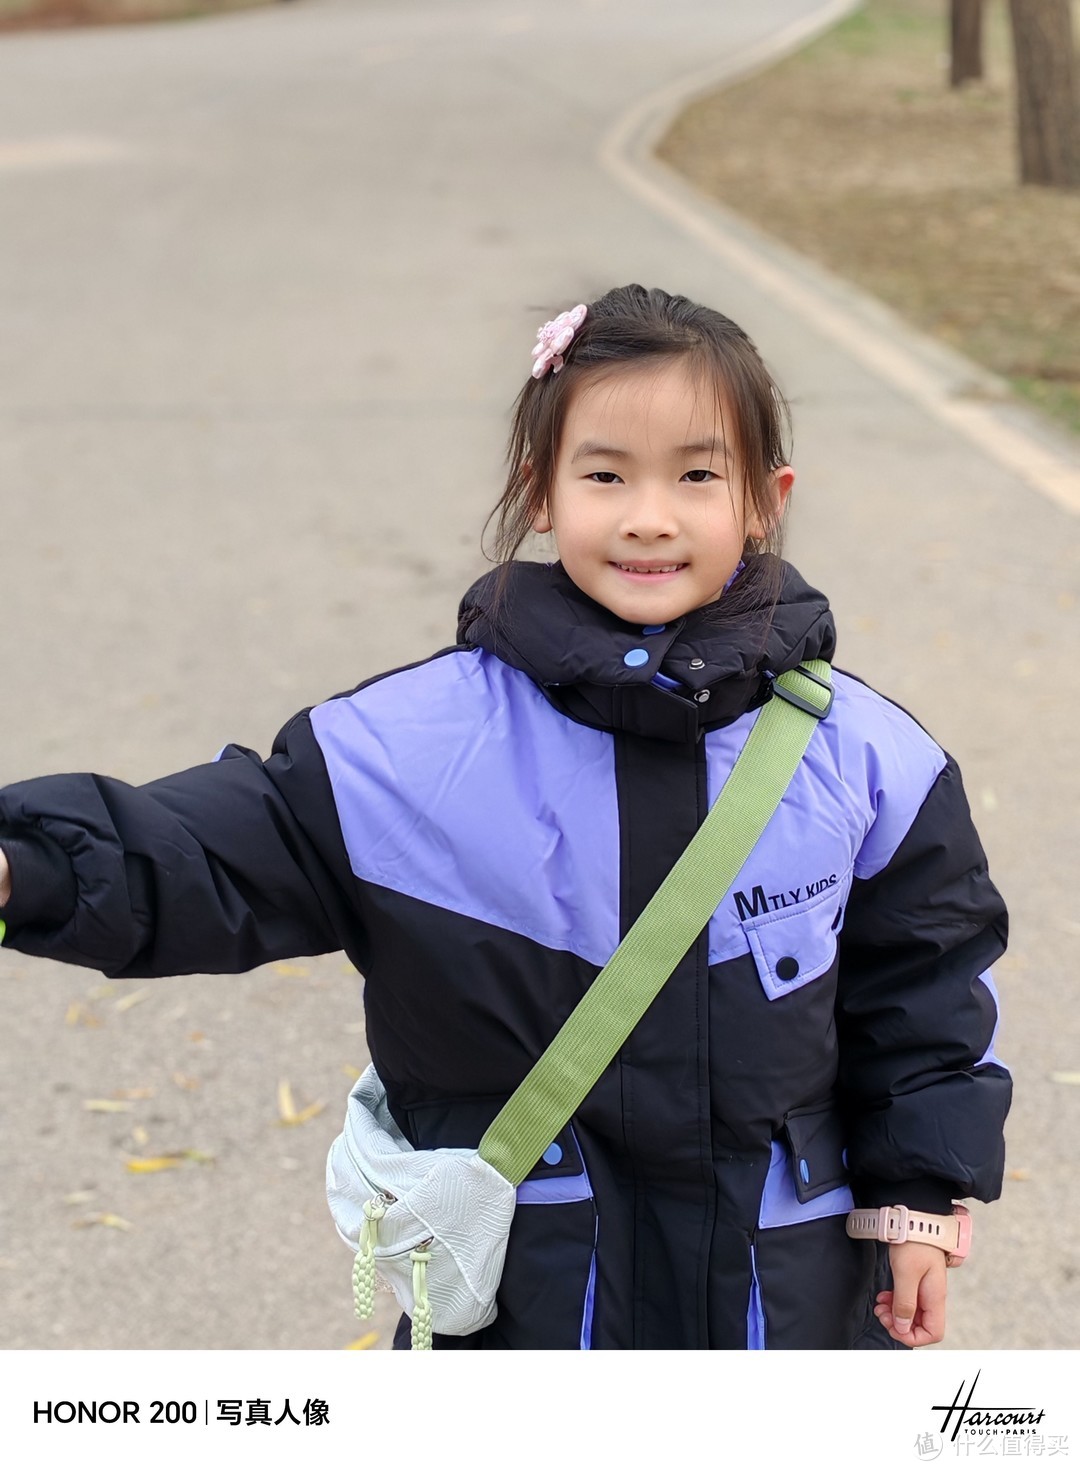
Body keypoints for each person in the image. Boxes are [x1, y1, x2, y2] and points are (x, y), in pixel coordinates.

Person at [0, 284, 1010, 1351]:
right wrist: (28, 867)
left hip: (784, 1298)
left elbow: (925, 985)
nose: (649, 513)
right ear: (541, 491)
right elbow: (205, 855)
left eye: (698, 474)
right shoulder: (406, 749)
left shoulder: (863, 758)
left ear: (766, 495)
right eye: (606, 473)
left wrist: (917, 1199)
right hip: (533, 1308)